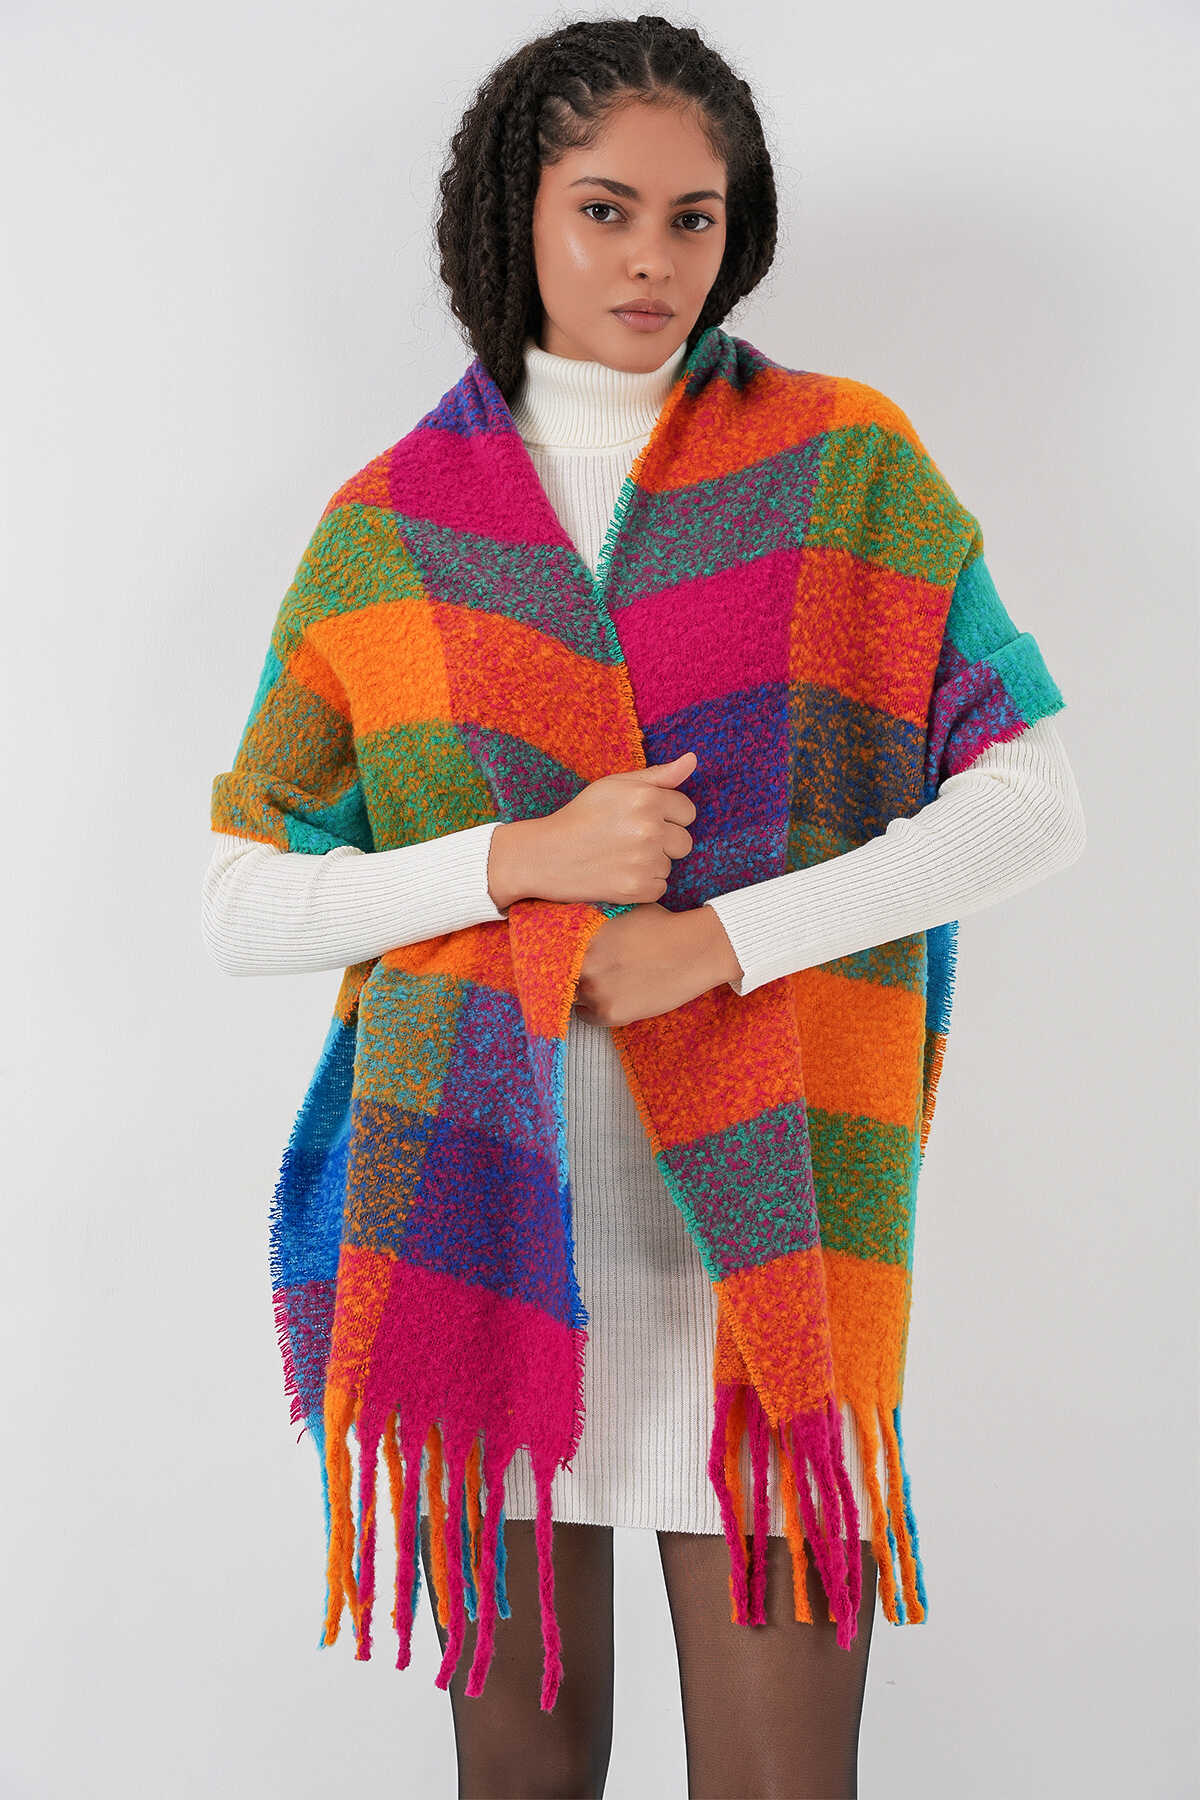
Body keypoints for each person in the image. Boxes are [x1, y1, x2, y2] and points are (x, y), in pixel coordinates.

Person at [202, 17, 1085, 1798]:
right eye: (605, 210)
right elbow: (244, 896)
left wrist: (716, 942)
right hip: (481, 1234)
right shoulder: (390, 529)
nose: (651, 261)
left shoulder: (845, 467)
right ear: (515, 215)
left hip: (766, 1253)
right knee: (522, 1785)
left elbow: (1032, 804)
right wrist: (516, 860)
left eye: (695, 218)